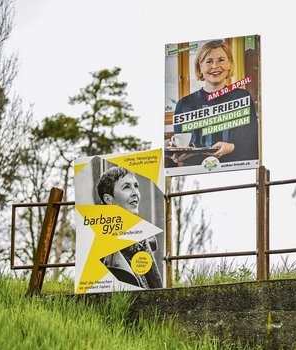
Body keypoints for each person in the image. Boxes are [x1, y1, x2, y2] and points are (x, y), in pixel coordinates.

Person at [168, 39, 258, 167]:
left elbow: (252, 141)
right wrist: (178, 157)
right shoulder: (184, 104)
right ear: (200, 67)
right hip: (195, 173)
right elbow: (180, 149)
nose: (215, 66)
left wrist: (232, 147)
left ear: (229, 65)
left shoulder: (242, 97)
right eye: (209, 61)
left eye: (221, 60)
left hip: (234, 170)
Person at [97, 166, 162, 289]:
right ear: (108, 199)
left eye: (136, 186)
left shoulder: (142, 241)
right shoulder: (100, 244)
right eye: (126, 187)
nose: (135, 193)